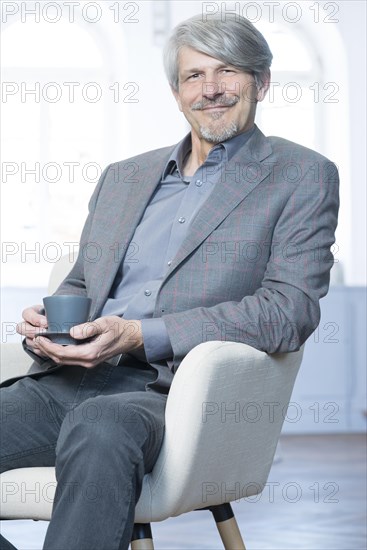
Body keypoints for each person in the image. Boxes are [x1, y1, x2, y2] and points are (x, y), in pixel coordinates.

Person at [0, 13, 339, 550]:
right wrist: (53, 321)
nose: (211, 89)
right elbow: (82, 282)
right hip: (61, 382)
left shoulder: (301, 176)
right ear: (176, 92)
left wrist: (140, 334)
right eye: (194, 76)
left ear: (262, 82)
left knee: (100, 428)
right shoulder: (124, 176)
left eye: (228, 71)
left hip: (171, 391)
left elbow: (288, 311)